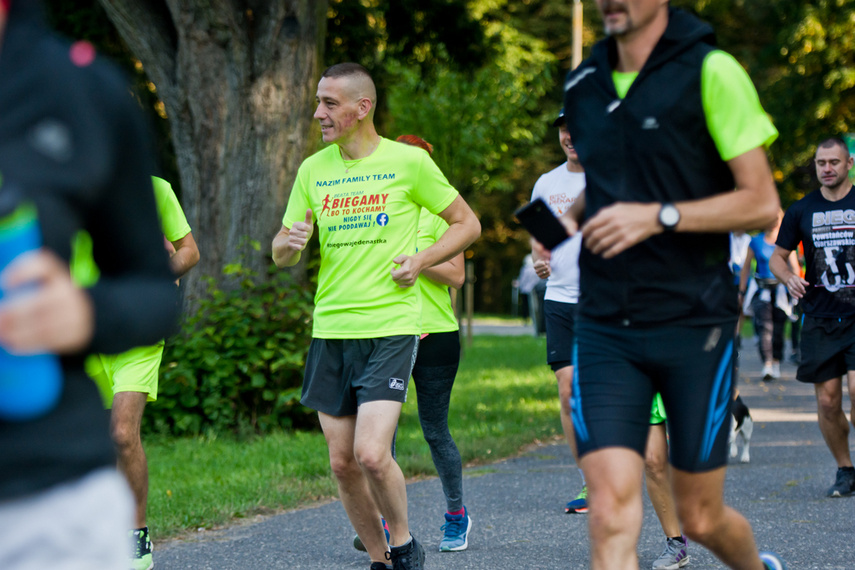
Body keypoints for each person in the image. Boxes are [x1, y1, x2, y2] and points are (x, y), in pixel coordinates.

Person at [554, 1, 786, 568]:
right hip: (605, 325)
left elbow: (762, 204)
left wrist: (660, 216)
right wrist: (551, 230)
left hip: (693, 323)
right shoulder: (583, 82)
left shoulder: (712, 71)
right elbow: (600, 182)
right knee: (609, 512)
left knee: (700, 517)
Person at [271, 63, 480, 570]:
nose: (318, 113)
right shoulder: (312, 170)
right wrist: (289, 243)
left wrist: (422, 260)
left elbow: (466, 223)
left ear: (362, 107)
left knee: (370, 452)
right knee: (342, 463)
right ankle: (379, 559)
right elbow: (281, 253)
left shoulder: (410, 162)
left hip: (390, 328)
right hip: (331, 330)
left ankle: (404, 545)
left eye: (330, 103)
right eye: (318, 102)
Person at [0, 1, 179, 568]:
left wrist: (86, 315)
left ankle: (137, 534)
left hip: (42, 497)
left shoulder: (80, 89)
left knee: (124, 433)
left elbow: (159, 286)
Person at [531, 109, 689, 569]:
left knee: (653, 457)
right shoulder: (546, 183)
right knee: (571, 392)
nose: (570, 136)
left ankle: (676, 540)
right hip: (565, 302)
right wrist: (539, 261)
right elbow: (541, 239)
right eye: (564, 128)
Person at [80, 176, 199, 570]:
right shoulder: (65, 185)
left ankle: (136, 532)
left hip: (137, 331)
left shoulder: (154, 189)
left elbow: (188, 250)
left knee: (122, 433)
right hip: (83, 332)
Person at [395, 134, 471, 552]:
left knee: (435, 431)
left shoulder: (442, 215)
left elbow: (457, 276)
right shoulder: (382, 211)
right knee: (380, 437)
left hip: (436, 334)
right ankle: (388, 525)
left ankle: (456, 515)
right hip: (388, 332)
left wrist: (418, 257)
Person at [769, 136, 855, 498]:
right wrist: (788, 277)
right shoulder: (801, 210)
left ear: (849, 163)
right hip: (820, 317)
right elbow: (777, 257)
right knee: (828, 402)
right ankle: (846, 470)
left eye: (834, 162)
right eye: (821, 163)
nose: (827, 169)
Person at [738, 211, 799, 381]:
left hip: (781, 291)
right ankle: (767, 363)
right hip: (761, 290)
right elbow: (746, 267)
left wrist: (796, 288)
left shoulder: (786, 240)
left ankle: (776, 360)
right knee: (764, 327)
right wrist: (742, 291)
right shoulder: (755, 241)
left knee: (778, 329)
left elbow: (794, 267)